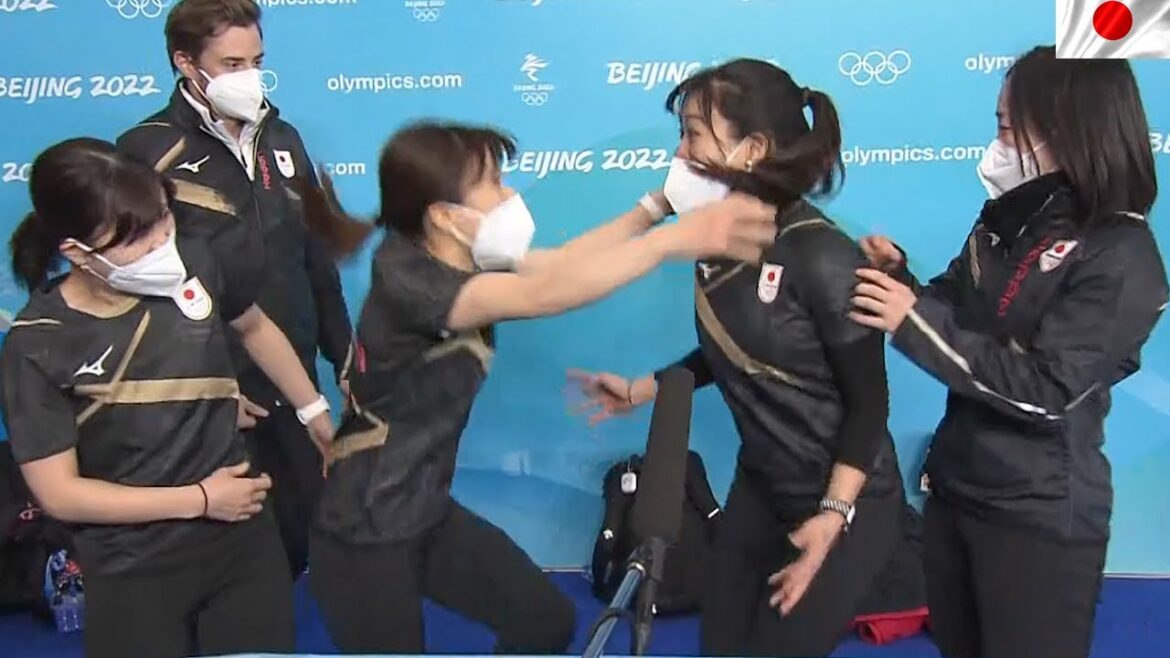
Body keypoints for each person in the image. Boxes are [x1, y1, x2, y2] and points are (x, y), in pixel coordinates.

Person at [295, 120, 779, 654]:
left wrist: (657, 205)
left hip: (423, 512)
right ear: (447, 217)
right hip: (363, 532)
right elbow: (554, 291)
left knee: (543, 619)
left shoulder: (451, 251)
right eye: (495, 185)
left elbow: (564, 262)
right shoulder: (415, 283)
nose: (511, 195)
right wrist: (673, 242)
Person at [572, 58, 907, 657]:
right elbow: (743, 348)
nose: (679, 152)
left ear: (752, 148)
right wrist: (643, 388)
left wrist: (832, 518)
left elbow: (869, 405)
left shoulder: (824, 258)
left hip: (846, 498)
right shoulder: (719, 242)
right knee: (722, 643)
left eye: (694, 135)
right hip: (762, 482)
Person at [850, 46, 1168, 658]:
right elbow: (959, 313)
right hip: (957, 491)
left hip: (1038, 516)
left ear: (1067, 129)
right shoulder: (1006, 220)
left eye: (1005, 126)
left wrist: (910, 320)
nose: (994, 144)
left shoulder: (1121, 256)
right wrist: (905, 286)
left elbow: (1046, 390)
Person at [0, 138, 336, 658]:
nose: (163, 245)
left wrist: (314, 412)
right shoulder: (38, 342)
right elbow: (60, 493)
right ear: (76, 252)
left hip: (243, 548)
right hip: (131, 567)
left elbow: (251, 326)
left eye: (165, 220)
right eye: (138, 239)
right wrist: (201, 499)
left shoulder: (198, 259)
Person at [116, 0, 352, 580]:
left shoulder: (285, 138)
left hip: (293, 378)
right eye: (230, 62)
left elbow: (315, 257)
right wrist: (202, 381)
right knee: (231, 558)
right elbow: (132, 284)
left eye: (257, 60)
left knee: (300, 536)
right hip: (212, 389)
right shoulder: (146, 151)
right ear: (185, 63)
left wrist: (343, 354)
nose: (248, 76)